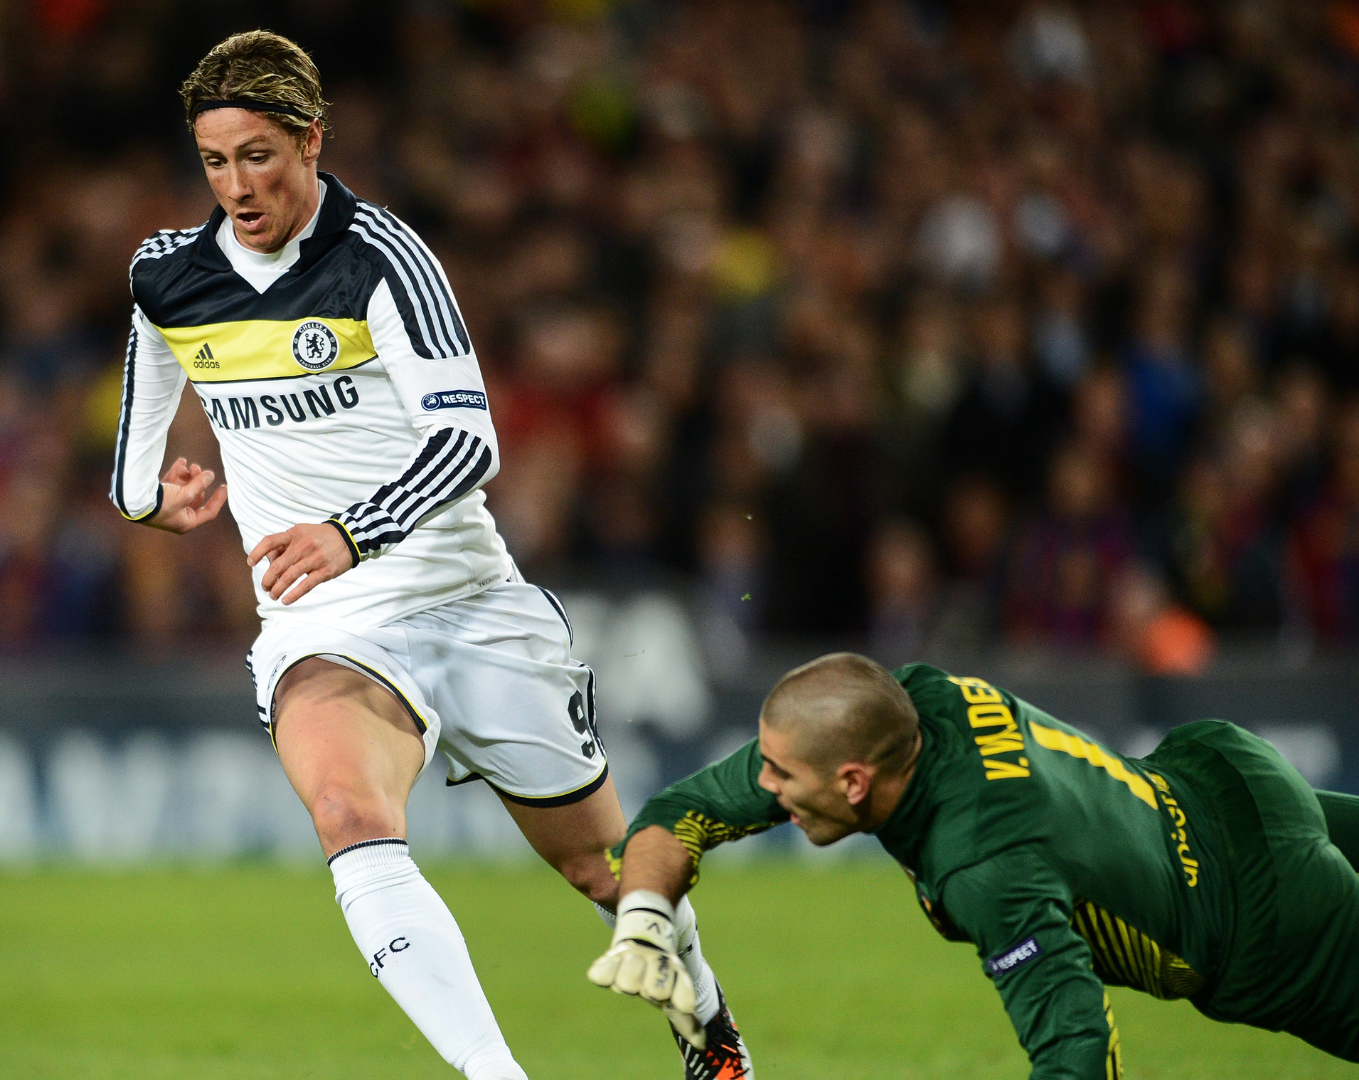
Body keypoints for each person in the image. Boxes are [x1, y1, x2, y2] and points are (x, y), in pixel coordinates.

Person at [109, 30, 751, 1080]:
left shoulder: (384, 259)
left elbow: (471, 442)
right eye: (216, 161)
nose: (237, 186)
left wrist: (347, 529)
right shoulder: (168, 278)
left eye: (260, 156)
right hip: (322, 618)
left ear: (313, 140)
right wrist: (150, 500)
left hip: (460, 594)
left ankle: (711, 1033)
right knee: (348, 811)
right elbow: (141, 431)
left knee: (603, 870)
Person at [589, 651, 1359, 1077]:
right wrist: (647, 916)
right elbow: (681, 812)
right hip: (1227, 778)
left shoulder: (983, 865)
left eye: (781, 777)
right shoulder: (911, 705)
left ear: (854, 783)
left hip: (1267, 918)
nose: (764, 789)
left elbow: (1078, 1048)